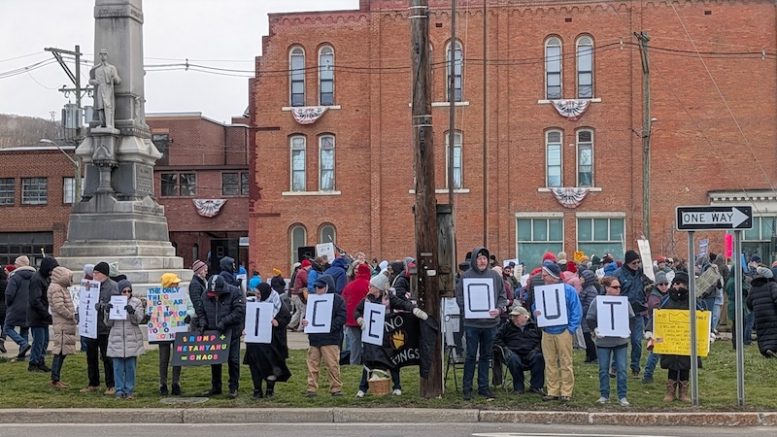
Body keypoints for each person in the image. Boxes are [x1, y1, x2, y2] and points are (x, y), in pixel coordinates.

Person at [353, 272, 427, 397]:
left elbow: (403, 304)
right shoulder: (367, 299)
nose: (369, 288)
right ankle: (363, 388)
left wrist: (414, 309)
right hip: (371, 335)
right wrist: (360, 319)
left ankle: (397, 386)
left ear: (379, 288)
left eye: (372, 286)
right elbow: (357, 311)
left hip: (387, 335)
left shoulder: (389, 298)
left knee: (392, 360)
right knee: (368, 360)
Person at [455, 247, 508, 401]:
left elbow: (502, 296)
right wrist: (468, 312)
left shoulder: (495, 276)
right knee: (471, 356)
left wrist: (498, 309)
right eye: (479, 258)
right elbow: (460, 297)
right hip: (472, 324)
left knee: (486, 356)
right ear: (474, 260)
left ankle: (483, 387)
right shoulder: (466, 277)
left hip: (490, 324)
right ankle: (467, 388)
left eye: (484, 258)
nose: (482, 261)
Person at [534, 260, 582, 402]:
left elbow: (576, 310)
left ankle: (566, 391)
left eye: (545, 275)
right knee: (550, 362)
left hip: (563, 331)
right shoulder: (542, 291)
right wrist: (536, 312)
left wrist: (571, 329)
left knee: (566, 362)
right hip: (547, 331)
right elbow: (536, 306)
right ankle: (553, 390)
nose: (542, 278)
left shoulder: (569, 290)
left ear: (553, 276)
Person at [587, 276, 635, 407]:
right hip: (603, 342)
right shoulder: (597, 302)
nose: (618, 289)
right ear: (606, 288)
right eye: (615, 287)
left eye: (619, 287)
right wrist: (595, 329)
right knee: (603, 369)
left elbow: (631, 317)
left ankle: (622, 396)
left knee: (622, 369)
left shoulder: (624, 302)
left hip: (621, 341)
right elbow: (590, 318)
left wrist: (629, 329)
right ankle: (604, 395)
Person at [196, 274, 245, 398]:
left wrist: (224, 322)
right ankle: (216, 386)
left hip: (232, 332)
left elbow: (239, 311)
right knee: (215, 360)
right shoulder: (206, 295)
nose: (214, 295)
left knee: (233, 360)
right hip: (214, 333)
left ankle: (233, 387)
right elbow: (201, 311)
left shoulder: (235, 293)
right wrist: (202, 323)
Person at [647, 272, 693, 402]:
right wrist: (650, 330)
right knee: (672, 365)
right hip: (671, 337)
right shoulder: (667, 299)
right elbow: (658, 314)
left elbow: (701, 313)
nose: (677, 286)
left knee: (685, 365)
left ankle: (684, 392)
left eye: (680, 283)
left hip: (685, 338)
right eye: (675, 283)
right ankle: (670, 391)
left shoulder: (691, 300)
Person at [244, 282, 292, 399]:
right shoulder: (254, 303)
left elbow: (286, 317)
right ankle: (257, 390)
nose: (257, 296)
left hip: (272, 342)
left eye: (259, 293)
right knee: (254, 366)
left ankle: (270, 390)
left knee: (271, 365)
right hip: (255, 342)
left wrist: (278, 322)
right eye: (256, 293)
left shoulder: (278, 304)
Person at [302, 274, 346, 397]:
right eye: (316, 287)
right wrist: (305, 321)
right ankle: (311, 388)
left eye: (320, 287)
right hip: (315, 338)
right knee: (312, 364)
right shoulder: (313, 300)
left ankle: (336, 388)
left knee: (332, 364)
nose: (318, 290)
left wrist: (329, 327)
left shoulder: (337, 300)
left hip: (330, 339)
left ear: (327, 287)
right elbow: (309, 316)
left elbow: (342, 317)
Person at [153, 273, 193, 396]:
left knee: (177, 357)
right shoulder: (157, 296)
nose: (177, 285)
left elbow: (191, 307)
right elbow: (153, 311)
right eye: (174, 283)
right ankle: (163, 384)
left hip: (178, 329)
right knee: (163, 358)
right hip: (163, 332)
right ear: (168, 285)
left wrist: (189, 315)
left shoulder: (183, 295)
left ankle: (176, 383)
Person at [105, 279, 145, 399]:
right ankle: (119, 390)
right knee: (117, 367)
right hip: (116, 337)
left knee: (130, 367)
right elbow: (108, 323)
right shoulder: (114, 301)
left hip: (131, 338)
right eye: (124, 291)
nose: (127, 293)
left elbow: (138, 320)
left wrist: (132, 312)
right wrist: (107, 311)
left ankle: (129, 390)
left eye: (129, 291)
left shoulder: (136, 302)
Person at [82, 261, 117, 395]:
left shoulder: (113, 287)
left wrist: (103, 306)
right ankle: (93, 383)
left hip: (105, 328)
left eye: (97, 273)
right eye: (94, 273)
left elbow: (114, 305)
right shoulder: (90, 286)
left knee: (107, 357)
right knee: (91, 356)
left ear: (104, 274)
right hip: (91, 327)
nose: (94, 275)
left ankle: (111, 384)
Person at [492, 305, 544, 395]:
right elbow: (496, 339)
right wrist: (505, 348)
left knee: (539, 357)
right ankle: (518, 387)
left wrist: (537, 349)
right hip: (513, 352)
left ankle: (536, 387)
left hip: (532, 352)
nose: (513, 318)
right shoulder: (507, 326)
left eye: (516, 316)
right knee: (513, 359)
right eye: (512, 316)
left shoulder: (535, 326)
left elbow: (542, 340)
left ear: (525, 316)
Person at [614, 250, 650, 376]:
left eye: (638, 262)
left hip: (638, 312)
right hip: (622, 312)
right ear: (627, 262)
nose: (637, 264)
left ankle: (635, 367)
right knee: (618, 340)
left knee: (636, 341)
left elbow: (650, 283)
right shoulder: (618, 274)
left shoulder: (642, 274)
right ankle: (615, 366)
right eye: (634, 262)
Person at [27, 256, 58, 372]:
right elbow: (35, 300)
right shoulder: (37, 279)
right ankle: (33, 363)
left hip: (43, 315)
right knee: (39, 341)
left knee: (45, 341)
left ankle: (40, 361)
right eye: (52, 269)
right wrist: (46, 314)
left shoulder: (45, 278)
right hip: (37, 316)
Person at [47, 266, 76, 389]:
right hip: (62, 324)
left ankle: (56, 378)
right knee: (59, 351)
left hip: (64, 324)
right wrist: (71, 315)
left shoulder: (60, 287)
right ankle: (55, 379)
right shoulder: (56, 288)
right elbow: (59, 307)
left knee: (62, 351)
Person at [642, 271, 670, 384]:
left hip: (664, 326)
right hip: (655, 328)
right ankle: (647, 375)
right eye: (661, 284)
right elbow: (655, 310)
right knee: (654, 353)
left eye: (666, 284)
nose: (664, 286)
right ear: (656, 285)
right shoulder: (654, 296)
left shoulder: (664, 295)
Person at [342, 263, 372, 366]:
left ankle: (354, 363)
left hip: (351, 318)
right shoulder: (370, 285)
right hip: (367, 318)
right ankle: (368, 363)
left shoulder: (349, 285)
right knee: (369, 342)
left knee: (354, 343)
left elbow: (344, 300)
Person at [3, 256, 34, 360]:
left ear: (20, 264)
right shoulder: (34, 276)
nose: (15, 265)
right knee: (24, 330)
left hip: (16, 307)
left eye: (16, 263)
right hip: (30, 308)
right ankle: (22, 355)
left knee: (7, 328)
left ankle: (23, 344)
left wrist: (8, 304)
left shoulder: (15, 276)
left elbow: (9, 293)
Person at [745, 267, 777, 358]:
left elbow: (748, 302)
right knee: (773, 331)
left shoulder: (753, 288)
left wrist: (755, 308)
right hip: (772, 314)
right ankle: (773, 349)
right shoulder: (772, 285)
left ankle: (766, 349)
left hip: (759, 315)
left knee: (763, 332)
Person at [89, 49, 121, 129]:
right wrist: (94, 82)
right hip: (100, 89)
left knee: (108, 106)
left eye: (104, 54)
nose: (103, 56)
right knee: (100, 107)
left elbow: (118, 80)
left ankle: (109, 123)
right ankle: (102, 123)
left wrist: (114, 78)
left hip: (108, 89)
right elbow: (91, 80)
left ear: (107, 56)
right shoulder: (96, 69)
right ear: (99, 56)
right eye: (101, 54)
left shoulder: (111, 68)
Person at [579, 269, 599, 363]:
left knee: (588, 338)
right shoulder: (585, 289)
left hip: (587, 318)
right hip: (583, 318)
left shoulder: (591, 290)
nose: (580, 279)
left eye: (582, 277)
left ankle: (593, 356)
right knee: (585, 337)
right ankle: (588, 355)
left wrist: (580, 311)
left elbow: (589, 305)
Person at [290, 259, 312, 332]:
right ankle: (301, 327)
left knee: (299, 310)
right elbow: (307, 281)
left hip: (295, 294)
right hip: (298, 294)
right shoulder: (303, 272)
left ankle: (291, 324)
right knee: (303, 310)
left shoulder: (300, 272)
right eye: (309, 266)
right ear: (307, 266)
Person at [188, 259, 208, 332]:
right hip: (198, 318)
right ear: (200, 271)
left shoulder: (201, 282)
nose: (207, 272)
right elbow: (197, 302)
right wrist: (202, 318)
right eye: (205, 270)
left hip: (199, 316)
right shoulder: (195, 284)